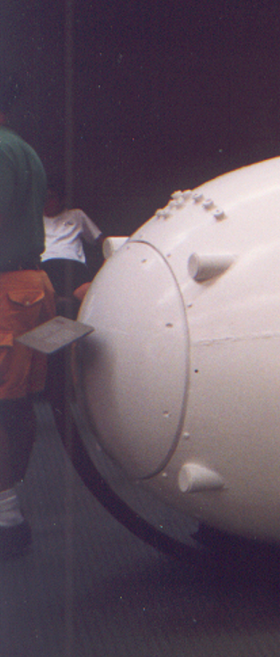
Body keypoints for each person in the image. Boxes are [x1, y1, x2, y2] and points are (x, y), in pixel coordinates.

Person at [0, 72, 57, 559]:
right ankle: (8, 509)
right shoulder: (21, 148)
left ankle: (5, 516)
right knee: (14, 404)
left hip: (3, 292)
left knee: (3, 404)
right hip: (27, 288)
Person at [40, 179, 105, 319]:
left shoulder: (77, 215)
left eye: (51, 197)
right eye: (43, 198)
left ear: (62, 199)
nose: (46, 202)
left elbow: (101, 241)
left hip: (73, 266)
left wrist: (112, 254)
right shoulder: (36, 218)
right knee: (44, 303)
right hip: (46, 267)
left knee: (90, 297)